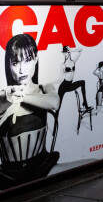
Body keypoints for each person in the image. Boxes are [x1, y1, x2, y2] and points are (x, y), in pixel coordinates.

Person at [0, 34, 61, 188]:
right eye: (15, 62)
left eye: (27, 60)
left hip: (43, 165)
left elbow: (54, 102)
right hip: (9, 175)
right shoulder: (4, 96)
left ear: (36, 58)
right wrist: (8, 99)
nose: (22, 69)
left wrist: (21, 96)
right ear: (8, 65)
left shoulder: (44, 88)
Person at [58, 46, 91, 111]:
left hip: (70, 85)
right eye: (64, 53)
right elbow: (60, 77)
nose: (65, 54)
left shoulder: (73, 61)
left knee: (82, 82)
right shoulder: (63, 64)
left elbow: (80, 50)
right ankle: (56, 116)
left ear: (69, 53)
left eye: (66, 52)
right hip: (63, 86)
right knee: (58, 106)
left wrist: (71, 50)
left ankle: (85, 103)